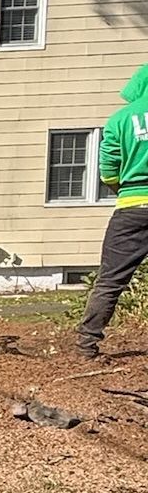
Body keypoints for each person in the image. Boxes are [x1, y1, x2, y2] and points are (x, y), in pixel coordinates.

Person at [78, 63, 148, 356]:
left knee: (109, 281)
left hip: (131, 208)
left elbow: (108, 173)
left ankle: (86, 346)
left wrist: (126, 190)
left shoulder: (119, 120)